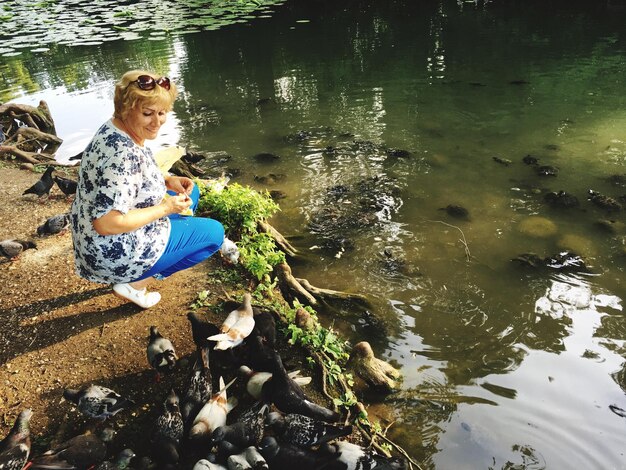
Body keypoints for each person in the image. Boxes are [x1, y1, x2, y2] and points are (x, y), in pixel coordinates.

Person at [70, 70, 234, 309]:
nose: (157, 121)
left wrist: (167, 180)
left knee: (190, 193)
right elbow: (106, 223)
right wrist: (164, 208)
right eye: (147, 113)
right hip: (109, 250)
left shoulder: (115, 129)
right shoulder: (123, 156)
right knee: (214, 235)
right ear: (126, 109)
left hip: (92, 240)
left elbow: (131, 176)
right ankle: (134, 284)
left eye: (162, 112)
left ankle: (157, 252)